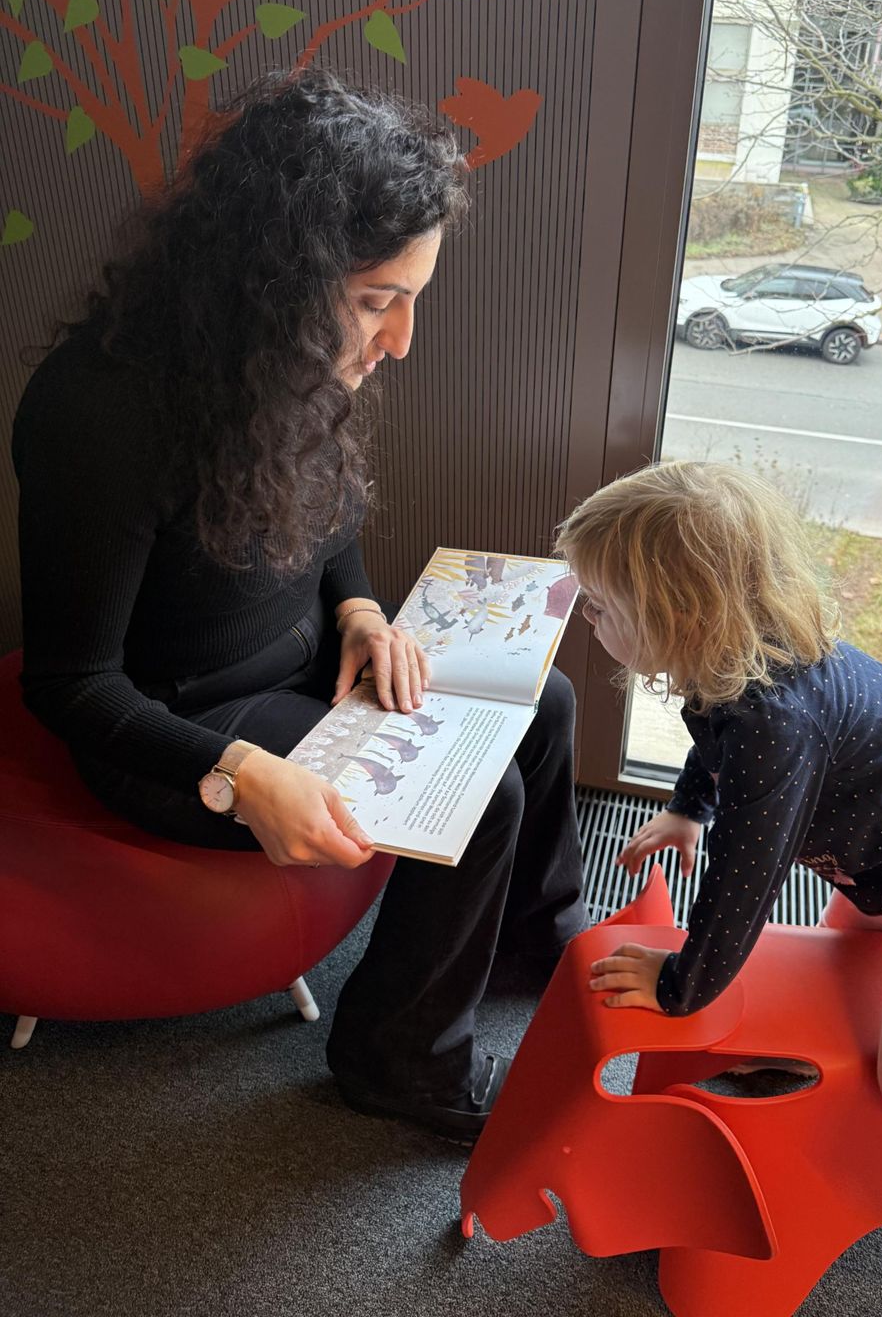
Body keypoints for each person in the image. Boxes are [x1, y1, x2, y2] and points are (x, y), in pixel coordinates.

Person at [12, 68, 586, 1143]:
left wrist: (363, 616)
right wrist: (238, 772)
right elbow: (70, 682)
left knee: (542, 700)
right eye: (379, 301)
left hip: (296, 661)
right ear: (273, 280)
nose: (402, 339)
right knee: (486, 795)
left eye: (413, 297)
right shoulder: (99, 413)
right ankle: (396, 1060)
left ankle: (527, 942)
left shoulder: (292, 363)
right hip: (184, 726)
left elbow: (325, 524)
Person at [554, 459, 882, 1194]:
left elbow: (743, 883)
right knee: (834, 968)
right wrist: (686, 808)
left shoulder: (775, 726)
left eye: (601, 606)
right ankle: (803, 1069)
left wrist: (682, 986)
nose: (588, 617)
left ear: (682, 618)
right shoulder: (737, 662)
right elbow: (714, 745)